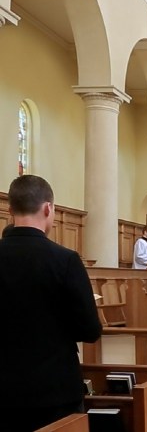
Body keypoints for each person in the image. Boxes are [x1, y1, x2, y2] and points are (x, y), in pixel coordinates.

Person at [0, 175, 102, 430]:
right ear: (48, 208)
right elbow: (89, 330)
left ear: (10, 210)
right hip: (53, 389)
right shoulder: (65, 260)